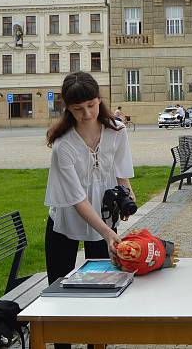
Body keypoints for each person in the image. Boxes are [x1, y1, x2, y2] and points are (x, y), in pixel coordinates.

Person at [44, 72, 136, 349]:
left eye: (92, 105)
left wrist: (128, 200)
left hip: (105, 215)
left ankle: (97, 344)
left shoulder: (117, 131)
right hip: (67, 219)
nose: (86, 114)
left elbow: (122, 175)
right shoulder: (63, 146)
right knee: (61, 291)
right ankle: (63, 345)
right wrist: (108, 232)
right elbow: (77, 200)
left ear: (100, 101)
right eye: (78, 109)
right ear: (68, 109)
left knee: (103, 290)